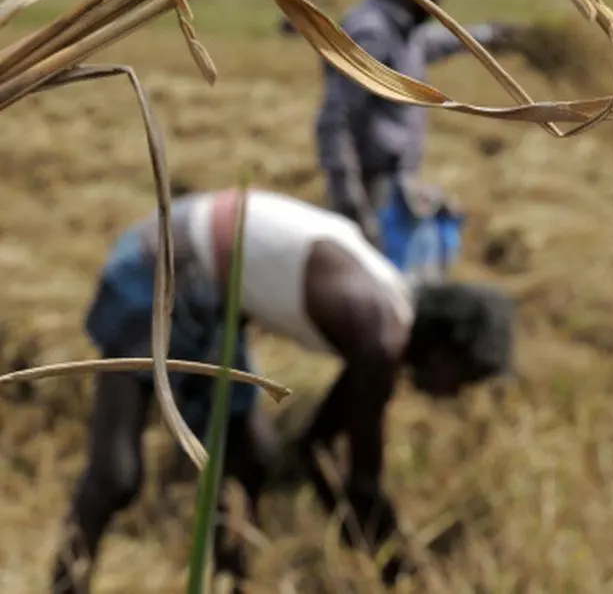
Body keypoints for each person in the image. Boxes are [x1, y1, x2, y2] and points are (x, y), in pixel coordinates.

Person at [51, 186, 516, 594]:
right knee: (116, 476)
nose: (457, 394)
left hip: (213, 292)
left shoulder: (386, 312)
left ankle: (231, 581)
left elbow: (318, 448)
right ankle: (65, 585)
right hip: (164, 263)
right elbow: (362, 485)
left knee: (250, 457)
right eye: (464, 378)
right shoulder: (377, 335)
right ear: (443, 354)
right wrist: (407, 574)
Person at [315, 0, 527, 249]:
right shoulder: (370, 33)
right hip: (368, 189)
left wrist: (491, 35)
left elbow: (434, 42)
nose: (438, 2)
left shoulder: (405, 29)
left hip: (395, 185)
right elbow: (337, 119)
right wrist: (351, 202)